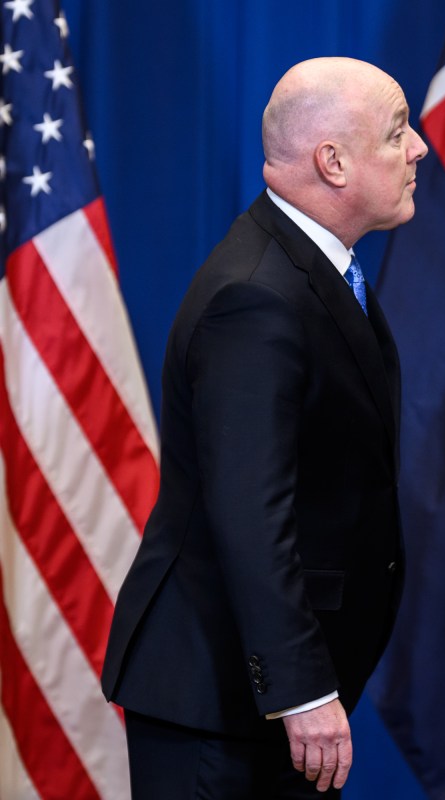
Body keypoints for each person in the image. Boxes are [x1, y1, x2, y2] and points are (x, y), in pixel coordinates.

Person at [102, 57, 427, 798]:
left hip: (260, 702)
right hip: (221, 705)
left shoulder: (312, 267)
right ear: (333, 163)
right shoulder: (255, 297)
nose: (418, 149)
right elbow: (249, 511)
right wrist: (301, 690)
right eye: (397, 132)